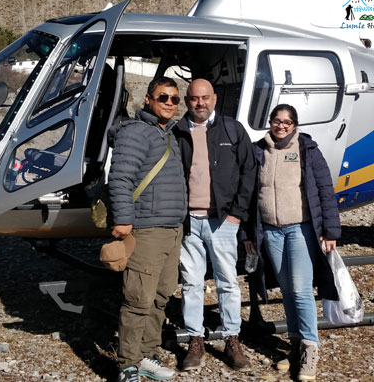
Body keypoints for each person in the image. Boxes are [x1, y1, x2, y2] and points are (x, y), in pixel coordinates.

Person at [244, 104, 341, 382]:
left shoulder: (308, 151)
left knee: (300, 290)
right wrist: (247, 235)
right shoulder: (258, 150)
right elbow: (249, 195)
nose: (281, 126)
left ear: (295, 125)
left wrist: (331, 230)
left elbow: (325, 190)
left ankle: (311, 348)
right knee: (286, 290)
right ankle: (296, 344)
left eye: (287, 122)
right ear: (270, 123)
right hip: (271, 232)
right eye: (276, 121)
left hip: (300, 229)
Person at [172, 79, 257, 371]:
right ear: (187, 100)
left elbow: (249, 171)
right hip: (189, 222)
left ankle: (232, 338)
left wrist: (237, 214)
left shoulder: (232, 129)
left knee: (228, 283)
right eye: (195, 98)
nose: (200, 103)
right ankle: (196, 341)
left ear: (215, 98)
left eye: (205, 98)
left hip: (222, 222)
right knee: (191, 284)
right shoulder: (177, 131)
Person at [108, 76, 187, 382]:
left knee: (160, 297)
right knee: (138, 299)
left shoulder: (168, 134)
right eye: (163, 97)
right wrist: (124, 218)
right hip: (146, 229)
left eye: (174, 99)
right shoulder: (136, 132)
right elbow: (120, 179)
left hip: (171, 229)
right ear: (148, 101)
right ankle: (127, 363)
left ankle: (148, 355)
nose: (169, 103)